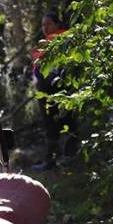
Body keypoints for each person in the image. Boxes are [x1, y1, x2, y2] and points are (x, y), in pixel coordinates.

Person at [30, 12, 76, 168]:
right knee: (59, 123)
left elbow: (41, 61)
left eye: (48, 24)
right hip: (51, 89)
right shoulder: (50, 40)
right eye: (43, 25)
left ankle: (59, 160)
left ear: (57, 24)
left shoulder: (62, 38)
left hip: (55, 88)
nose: (45, 28)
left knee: (58, 123)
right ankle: (62, 159)